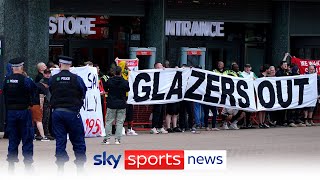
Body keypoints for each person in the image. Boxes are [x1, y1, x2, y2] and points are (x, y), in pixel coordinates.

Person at [49, 56, 87, 173]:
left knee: (60, 140)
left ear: (60, 65)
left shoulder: (53, 78)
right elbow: (83, 92)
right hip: (72, 113)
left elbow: (51, 91)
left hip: (57, 112)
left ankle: (60, 167)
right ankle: (80, 168)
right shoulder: (77, 79)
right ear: (70, 66)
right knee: (78, 140)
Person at [3, 57, 37, 172]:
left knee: (13, 138)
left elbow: (5, 94)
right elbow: (34, 90)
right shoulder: (26, 80)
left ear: (12, 68)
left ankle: (11, 164)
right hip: (24, 112)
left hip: (11, 113)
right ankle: (28, 164)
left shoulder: (6, 80)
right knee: (27, 137)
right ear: (22, 67)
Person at [102, 66, 130, 144]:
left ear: (113, 72)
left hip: (111, 103)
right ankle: (117, 139)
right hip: (122, 103)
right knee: (120, 122)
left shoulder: (110, 81)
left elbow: (105, 88)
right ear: (121, 72)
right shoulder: (125, 81)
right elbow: (128, 89)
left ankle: (107, 139)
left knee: (109, 121)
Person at [118, 61, 138, 135]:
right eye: (125, 65)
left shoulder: (129, 73)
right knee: (123, 113)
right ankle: (122, 128)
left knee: (130, 112)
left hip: (129, 96)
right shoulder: (120, 75)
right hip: (123, 96)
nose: (127, 66)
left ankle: (129, 128)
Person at [150, 62, 168, 134]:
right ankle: (154, 127)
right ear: (156, 67)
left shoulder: (164, 74)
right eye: (160, 66)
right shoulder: (154, 73)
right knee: (157, 111)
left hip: (163, 94)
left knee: (162, 111)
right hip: (156, 95)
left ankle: (160, 126)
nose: (162, 67)